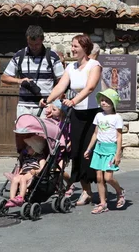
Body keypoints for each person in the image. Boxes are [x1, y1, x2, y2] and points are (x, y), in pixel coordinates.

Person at [41, 34, 102, 206]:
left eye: (76, 46)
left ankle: (92, 190)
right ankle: (86, 191)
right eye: (72, 46)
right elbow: (61, 86)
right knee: (75, 153)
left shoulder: (94, 65)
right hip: (76, 115)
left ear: (85, 48)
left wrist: (74, 100)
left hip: (92, 115)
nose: (72, 49)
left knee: (87, 153)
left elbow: (90, 87)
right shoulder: (71, 68)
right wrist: (48, 99)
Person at [1, 25, 64, 118]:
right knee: (23, 133)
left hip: (46, 107)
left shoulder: (52, 56)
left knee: (44, 133)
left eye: (37, 44)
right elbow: (4, 78)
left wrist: (55, 104)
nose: (34, 47)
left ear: (42, 40)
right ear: (27, 40)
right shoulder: (19, 55)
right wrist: (20, 81)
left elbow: (62, 81)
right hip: (24, 107)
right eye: (31, 44)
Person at [84, 89, 126, 214]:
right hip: (99, 149)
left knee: (108, 177)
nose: (104, 103)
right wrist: (89, 148)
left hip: (110, 149)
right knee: (99, 178)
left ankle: (120, 191)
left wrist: (118, 154)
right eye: (102, 100)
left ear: (113, 103)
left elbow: (119, 137)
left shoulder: (117, 117)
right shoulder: (98, 116)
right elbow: (96, 133)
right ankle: (103, 203)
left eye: (107, 101)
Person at [5, 136, 47, 208]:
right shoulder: (26, 156)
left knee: (23, 179)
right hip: (23, 172)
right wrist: (19, 172)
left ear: (35, 149)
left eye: (29, 147)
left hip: (32, 173)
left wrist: (36, 171)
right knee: (15, 179)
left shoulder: (40, 158)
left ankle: (20, 197)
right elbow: (23, 166)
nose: (27, 148)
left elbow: (43, 169)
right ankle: (12, 199)